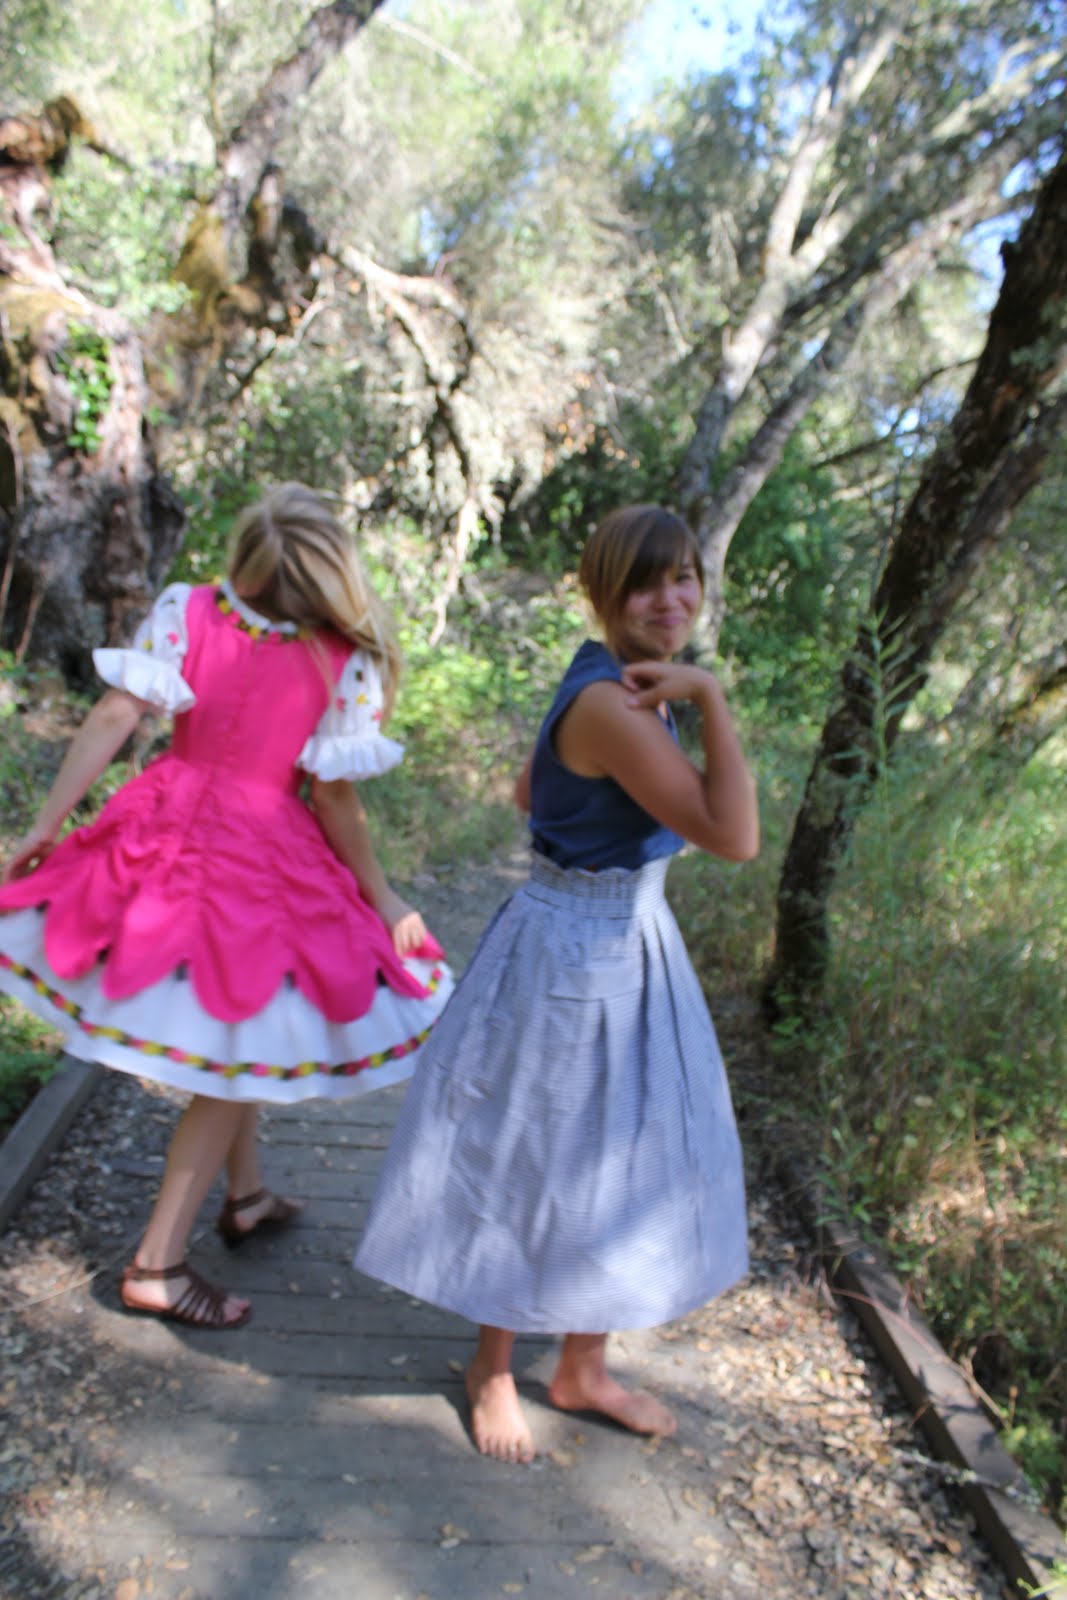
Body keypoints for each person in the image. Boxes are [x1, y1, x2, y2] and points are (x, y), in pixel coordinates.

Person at [355, 503, 758, 1462]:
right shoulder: (614, 703)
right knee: (532, 1150)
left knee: (622, 1155)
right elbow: (734, 837)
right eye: (645, 584)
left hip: (625, 938)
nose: (671, 599)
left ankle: (581, 1367)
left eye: (683, 577)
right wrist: (712, 699)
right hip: (576, 951)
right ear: (604, 594)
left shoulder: (611, 680)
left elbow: (528, 791)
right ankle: (492, 1366)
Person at [0, 482, 453, 1330]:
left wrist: (47, 825)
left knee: (239, 1030)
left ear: (245, 557)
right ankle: (157, 1265)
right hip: (260, 857)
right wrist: (380, 893)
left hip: (166, 828)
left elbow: (116, 713)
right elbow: (333, 798)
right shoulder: (338, 657)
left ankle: (244, 1195)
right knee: (240, 1040)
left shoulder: (188, 608)